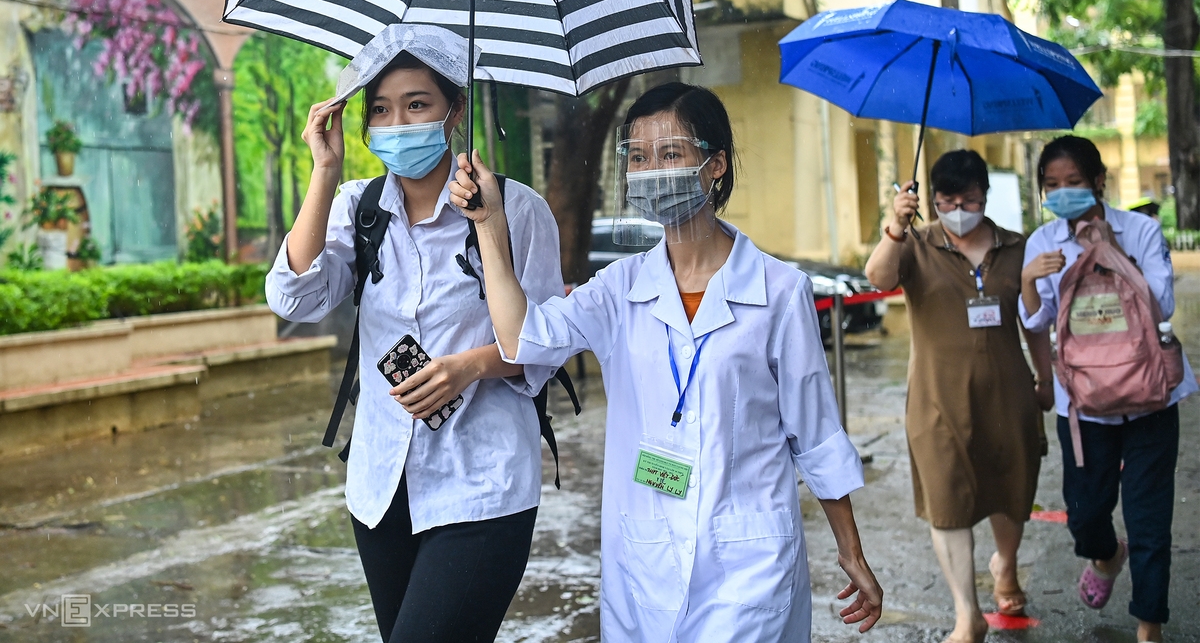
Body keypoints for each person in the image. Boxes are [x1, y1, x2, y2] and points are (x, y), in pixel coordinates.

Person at [449, 82, 883, 643]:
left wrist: (851, 552)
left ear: (715, 164)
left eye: (671, 153)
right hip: (644, 560)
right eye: (639, 157)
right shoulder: (619, 289)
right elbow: (521, 338)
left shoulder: (779, 291)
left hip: (749, 564)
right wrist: (488, 225)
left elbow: (816, 434)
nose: (653, 170)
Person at [265, 25, 564, 643]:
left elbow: (547, 341)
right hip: (381, 486)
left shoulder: (519, 209)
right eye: (381, 109)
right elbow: (292, 299)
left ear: (455, 111)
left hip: (483, 485)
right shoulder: (357, 207)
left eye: (417, 104)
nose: (397, 122)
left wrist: (470, 366)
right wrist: (324, 172)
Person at [863, 150, 1050, 643]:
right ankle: (967, 614)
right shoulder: (915, 244)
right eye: (947, 200)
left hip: (1009, 394)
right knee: (947, 502)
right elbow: (877, 278)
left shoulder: (1017, 247)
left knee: (1012, 491)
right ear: (932, 200)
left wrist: (1046, 377)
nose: (958, 208)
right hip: (936, 401)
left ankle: (1005, 565)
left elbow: (1033, 322)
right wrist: (893, 226)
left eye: (968, 199)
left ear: (985, 197)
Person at [1020, 135, 1197, 643]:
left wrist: (1113, 253)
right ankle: (1105, 554)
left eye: (1073, 183)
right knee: (1085, 512)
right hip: (1084, 404)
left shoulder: (1138, 229)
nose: (1063, 193)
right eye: (1052, 185)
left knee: (1149, 515)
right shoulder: (1043, 242)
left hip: (1149, 398)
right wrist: (1030, 279)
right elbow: (1035, 319)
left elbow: (1162, 306)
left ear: (1099, 181)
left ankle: (1149, 625)